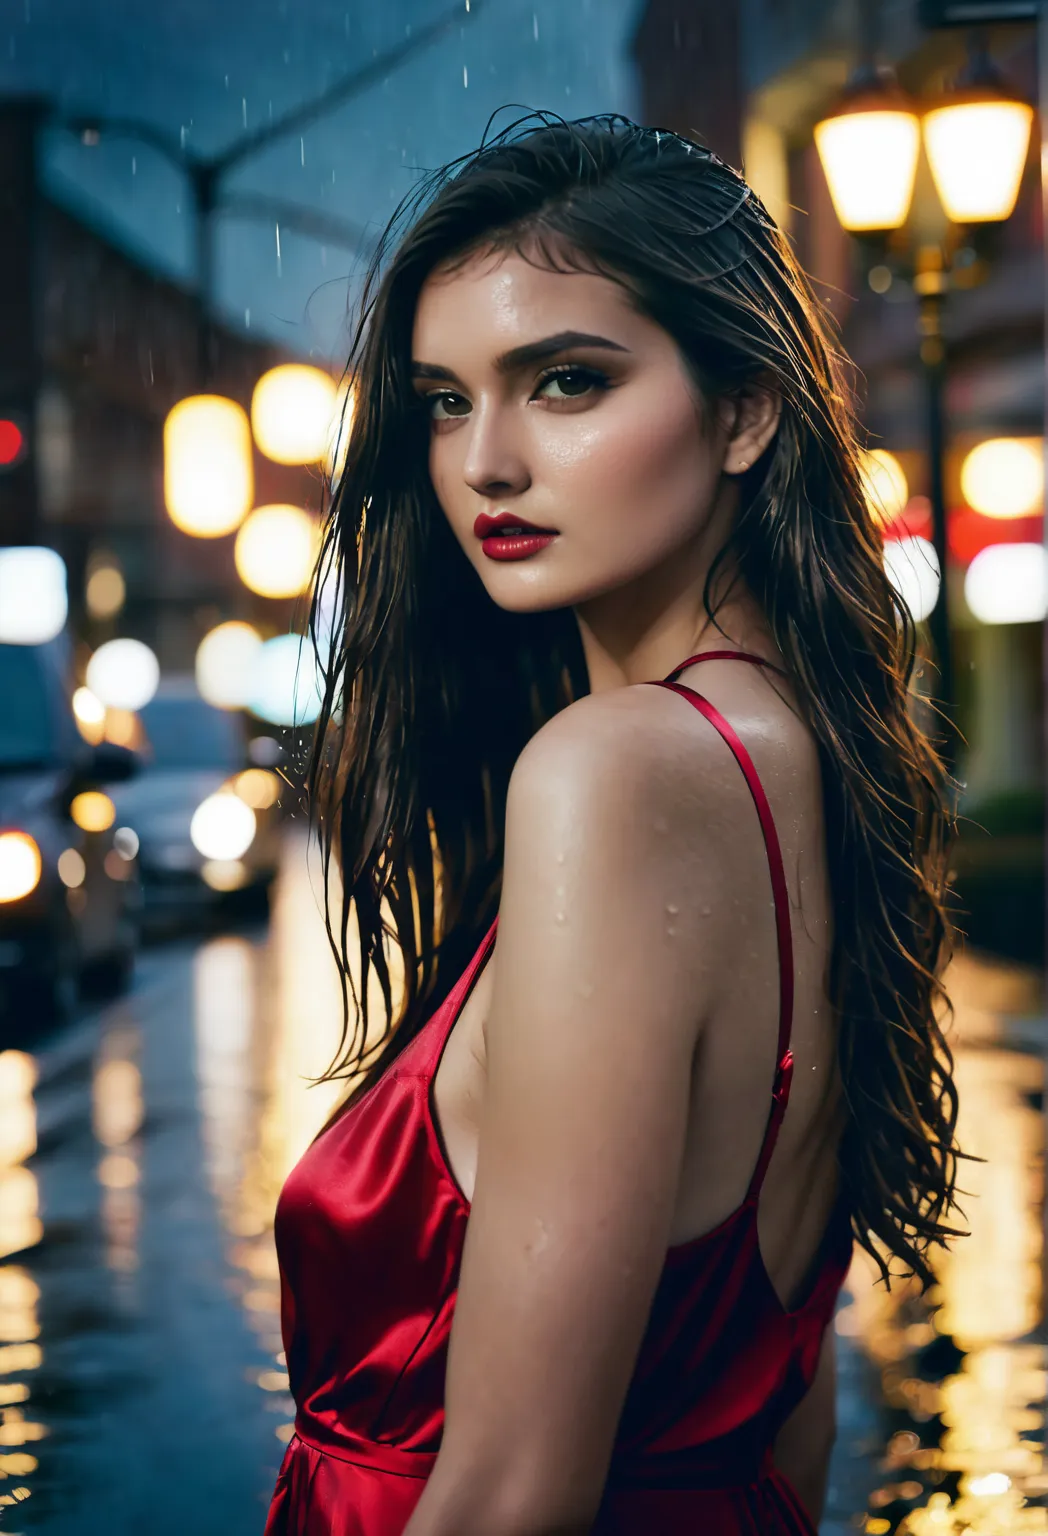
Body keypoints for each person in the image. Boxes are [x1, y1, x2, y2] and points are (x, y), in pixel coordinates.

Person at [264, 113, 965, 1536]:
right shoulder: (802, 758)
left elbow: (516, 1492)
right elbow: (792, 1422)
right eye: (444, 401)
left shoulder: (614, 773)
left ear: (745, 410)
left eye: (567, 382)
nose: (484, 463)